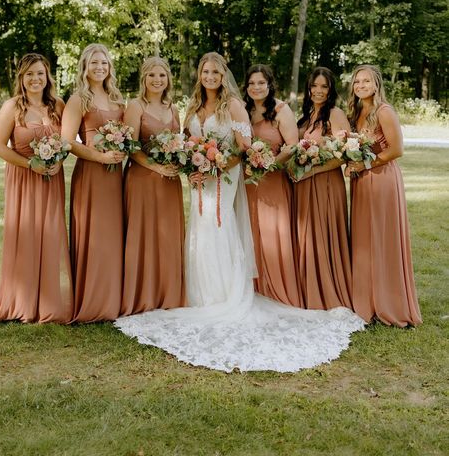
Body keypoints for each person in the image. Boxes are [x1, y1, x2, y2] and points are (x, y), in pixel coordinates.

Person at [114, 53, 364, 373]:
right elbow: (187, 142)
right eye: (205, 71)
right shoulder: (191, 107)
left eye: (216, 71)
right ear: (199, 74)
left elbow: (243, 147)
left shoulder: (233, 106)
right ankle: (198, 295)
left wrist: (215, 166)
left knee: (217, 225)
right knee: (199, 228)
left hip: (224, 176)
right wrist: (192, 166)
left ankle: (222, 296)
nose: (211, 76)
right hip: (197, 177)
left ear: (223, 75)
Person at [0, 53, 73, 323]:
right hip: (24, 180)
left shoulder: (58, 105)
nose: (35, 79)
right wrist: (31, 164)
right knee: (27, 235)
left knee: (51, 235)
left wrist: (59, 160)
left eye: (40, 73)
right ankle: (23, 300)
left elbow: (67, 142)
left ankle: (49, 300)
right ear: (21, 77)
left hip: (51, 180)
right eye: (29, 74)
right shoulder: (12, 107)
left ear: (47, 76)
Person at [346, 64, 422, 327]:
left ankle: (389, 302)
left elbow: (397, 149)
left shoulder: (384, 111)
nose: (361, 86)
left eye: (366, 81)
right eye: (357, 82)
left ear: (376, 84)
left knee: (382, 238)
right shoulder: (356, 111)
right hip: (361, 181)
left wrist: (364, 165)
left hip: (382, 180)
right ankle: (367, 300)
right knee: (364, 239)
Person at [62, 44, 125, 322]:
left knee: (114, 235)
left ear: (110, 67)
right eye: (94, 63)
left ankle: (115, 297)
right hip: (91, 174)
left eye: (104, 63)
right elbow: (66, 142)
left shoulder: (118, 98)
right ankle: (93, 300)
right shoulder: (78, 99)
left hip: (116, 177)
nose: (100, 68)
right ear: (84, 67)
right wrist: (100, 157)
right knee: (95, 234)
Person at [121, 57, 185, 315]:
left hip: (170, 181)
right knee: (144, 234)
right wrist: (156, 167)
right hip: (142, 179)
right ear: (144, 79)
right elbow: (132, 147)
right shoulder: (135, 106)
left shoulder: (173, 108)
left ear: (168, 79)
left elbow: (179, 143)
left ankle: (168, 292)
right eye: (152, 76)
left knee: (168, 236)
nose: (157, 80)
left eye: (162, 76)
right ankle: (143, 293)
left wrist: (178, 162)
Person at [293, 67, 354, 311]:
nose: (318, 91)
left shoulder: (335, 114)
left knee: (324, 235)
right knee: (307, 236)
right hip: (305, 183)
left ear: (331, 90)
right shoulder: (307, 114)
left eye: (324, 86)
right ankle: (309, 288)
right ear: (308, 88)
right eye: (314, 86)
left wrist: (314, 171)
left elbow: (344, 154)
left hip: (326, 183)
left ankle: (329, 289)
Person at [244, 64, 303, 307]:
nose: (256, 88)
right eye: (251, 83)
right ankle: (253, 289)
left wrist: (268, 164)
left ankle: (277, 289)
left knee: (273, 234)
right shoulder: (243, 111)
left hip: (273, 182)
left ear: (269, 85)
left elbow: (292, 145)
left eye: (261, 83)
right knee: (250, 232)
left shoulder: (281, 110)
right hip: (247, 182)